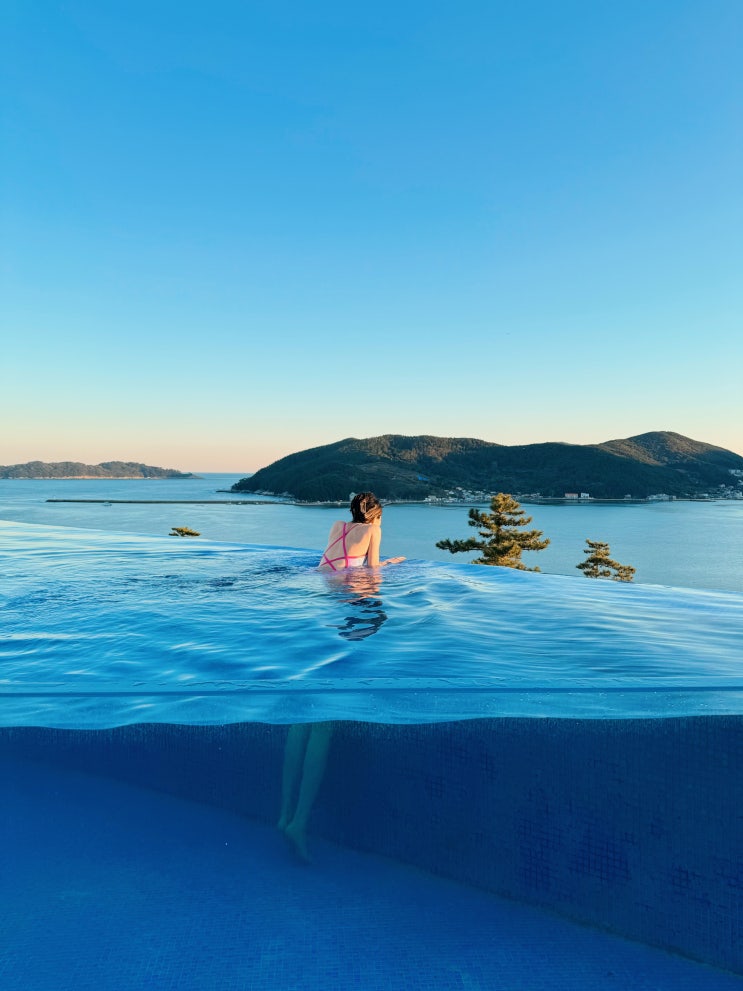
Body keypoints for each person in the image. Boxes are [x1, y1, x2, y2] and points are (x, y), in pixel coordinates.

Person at [278, 492, 404, 861]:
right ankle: (298, 821)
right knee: (324, 720)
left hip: (316, 597)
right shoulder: (373, 530)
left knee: (302, 715)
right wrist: (393, 564)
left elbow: (337, 560)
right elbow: (372, 572)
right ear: (378, 516)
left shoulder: (336, 525)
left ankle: (284, 813)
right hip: (346, 601)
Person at [318, 492, 406, 571]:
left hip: (319, 573)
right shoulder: (373, 529)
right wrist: (389, 562)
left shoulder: (338, 525)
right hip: (341, 579)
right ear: (376, 516)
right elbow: (373, 566)